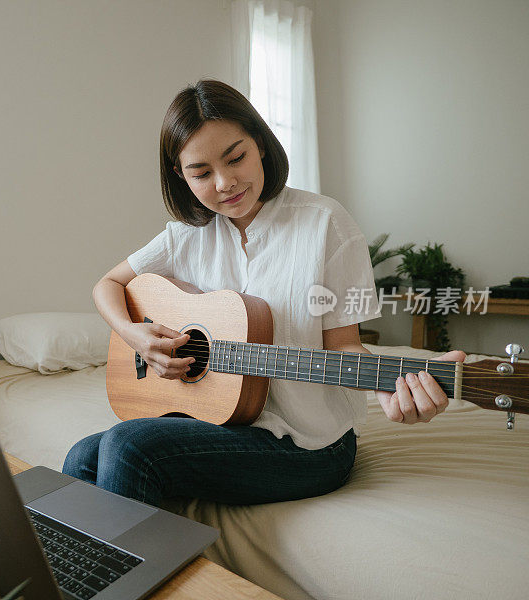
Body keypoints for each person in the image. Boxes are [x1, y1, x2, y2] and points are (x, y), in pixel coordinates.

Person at [62, 79, 465, 507]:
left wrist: (387, 384)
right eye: (201, 173)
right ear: (181, 176)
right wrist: (134, 334)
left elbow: (344, 345)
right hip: (221, 423)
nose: (224, 183)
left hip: (310, 445)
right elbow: (108, 284)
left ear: (260, 144)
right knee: (81, 458)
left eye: (236, 158)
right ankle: (87, 576)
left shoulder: (324, 223)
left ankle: (144, 574)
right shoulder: (185, 237)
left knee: (129, 446)